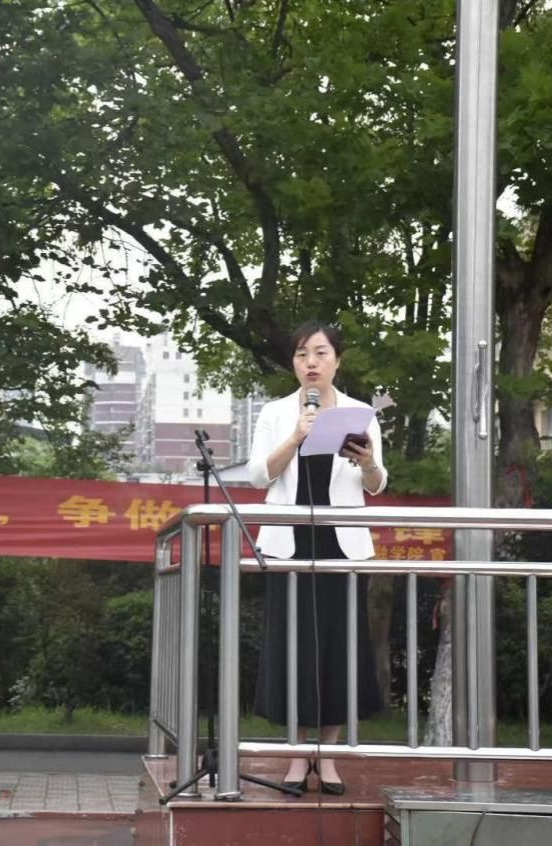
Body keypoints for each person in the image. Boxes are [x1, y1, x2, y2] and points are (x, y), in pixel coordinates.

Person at [246, 320, 387, 794]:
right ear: (294, 363)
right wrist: (295, 438)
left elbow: (376, 484)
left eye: (321, 353)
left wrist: (366, 461)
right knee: (293, 648)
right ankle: (295, 756)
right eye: (302, 353)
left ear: (337, 361)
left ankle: (328, 758)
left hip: (340, 546)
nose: (311, 362)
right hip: (289, 544)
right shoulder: (275, 413)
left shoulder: (360, 413)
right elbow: (257, 476)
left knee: (338, 650)